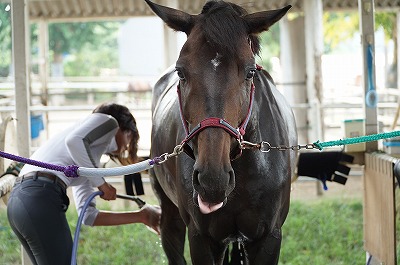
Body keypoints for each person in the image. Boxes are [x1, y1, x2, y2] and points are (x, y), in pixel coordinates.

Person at [7, 102, 161, 265]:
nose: (127, 146)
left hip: (20, 203)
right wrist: (102, 184)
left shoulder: (87, 160)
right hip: (39, 198)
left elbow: (88, 216)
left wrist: (142, 216)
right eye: (130, 136)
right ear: (124, 127)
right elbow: (74, 141)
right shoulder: (109, 121)